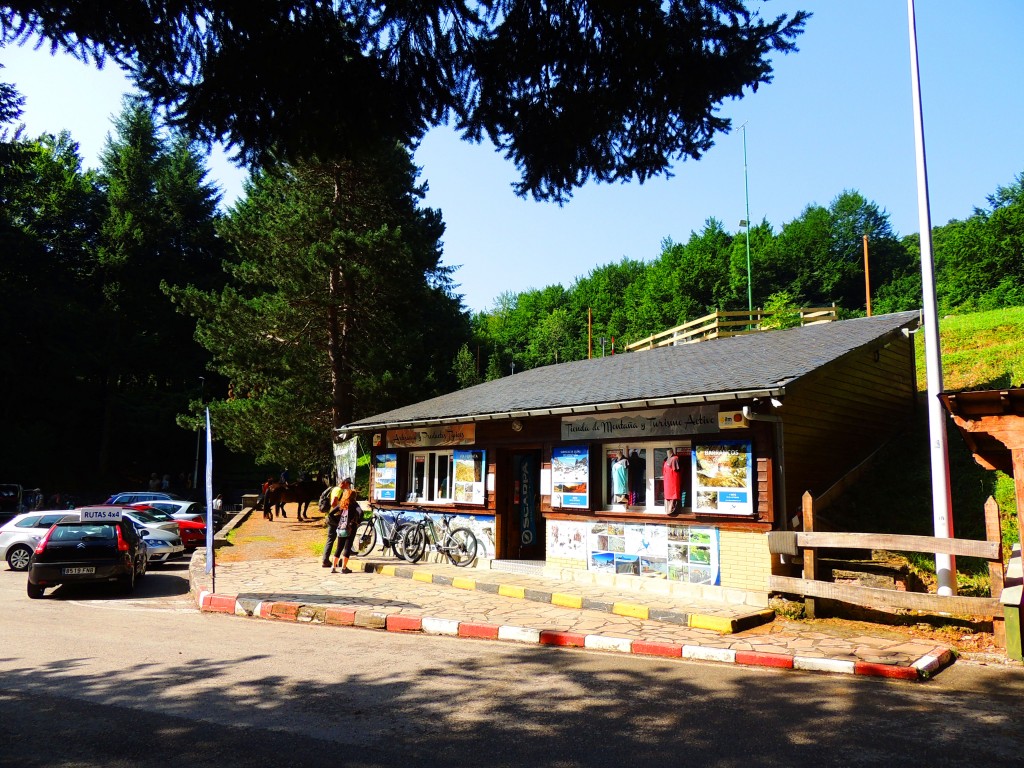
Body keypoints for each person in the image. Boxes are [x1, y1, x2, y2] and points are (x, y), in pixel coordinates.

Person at [324, 478, 358, 573]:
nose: (348, 486)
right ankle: (343, 568)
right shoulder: (353, 503)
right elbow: (360, 512)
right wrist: (356, 521)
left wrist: (337, 521)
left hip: (340, 527)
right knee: (347, 547)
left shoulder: (341, 504)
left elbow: (331, 513)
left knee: (338, 547)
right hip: (349, 528)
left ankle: (333, 567)